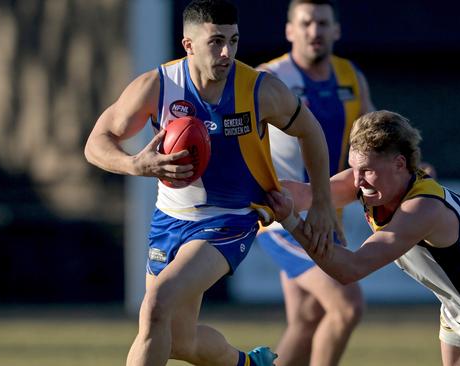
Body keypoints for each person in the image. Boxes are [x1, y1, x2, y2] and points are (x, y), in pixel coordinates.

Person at [84, 1, 342, 365]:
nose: (227, 52)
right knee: (178, 341)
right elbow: (97, 142)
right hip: (169, 219)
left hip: (231, 218)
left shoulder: (259, 89)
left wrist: (322, 202)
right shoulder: (158, 86)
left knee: (155, 305)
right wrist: (134, 164)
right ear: (188, 44)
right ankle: (249, 363)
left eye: (233, 41)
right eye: (216, 41)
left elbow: (310, 130)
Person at [267, 110, 460, 366]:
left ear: (399, 164)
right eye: (353, 169)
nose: (358, 181)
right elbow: (307, 193)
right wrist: (255, 194)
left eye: (366, 171)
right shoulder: (373, 182)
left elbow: (350, 269)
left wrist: (290, 221)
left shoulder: (422, 210)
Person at [255, 1, 374, 365]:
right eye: (305, 23)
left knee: (307, 318)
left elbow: (374, 139)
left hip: (327, 213)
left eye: (322, 23)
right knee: (347, 305)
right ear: (290, 31)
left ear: (336, 30)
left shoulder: (350, 77)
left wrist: (409, 168)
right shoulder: (267, 79)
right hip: (283, 215)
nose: (314, 31)